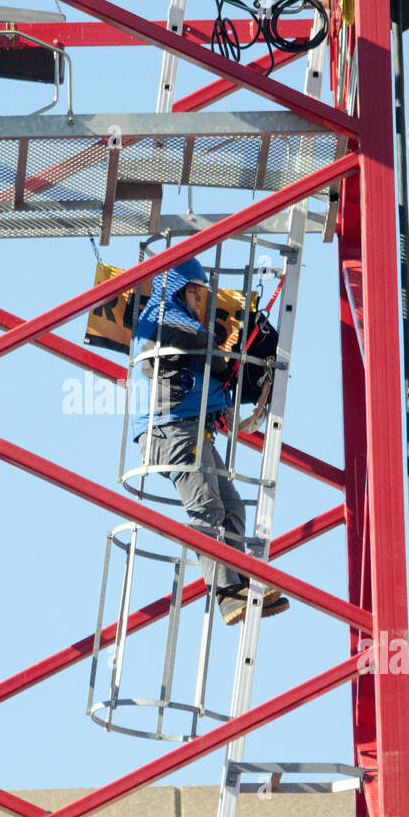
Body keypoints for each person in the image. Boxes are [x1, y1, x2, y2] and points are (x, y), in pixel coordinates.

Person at [129, 256, 288, 627]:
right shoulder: (163, 318)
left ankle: (239, 581)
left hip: (193, 430)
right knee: (206, 508)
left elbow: (204, 371)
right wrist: (230, 354)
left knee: (232, 507)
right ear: (177, 292)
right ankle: (225, 591)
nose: (202, 305)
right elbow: (205, 353)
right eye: (196, 295)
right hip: (170, 431)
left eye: (202, 296)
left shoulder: (179, 325)